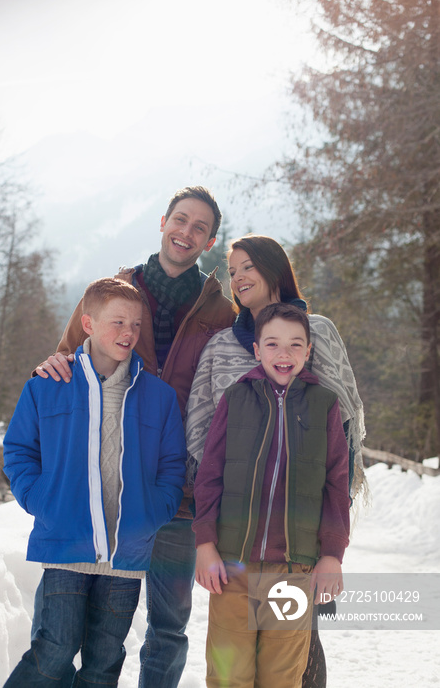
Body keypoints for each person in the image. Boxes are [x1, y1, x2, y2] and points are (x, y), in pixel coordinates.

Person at [34, 186, 235, 688]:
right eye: (180, 220)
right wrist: (55, 363)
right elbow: (67, 357)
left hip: (177, 493)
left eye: (199, 228)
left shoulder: (220, 314)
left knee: (168, 626)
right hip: (99, 489)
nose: (186, 233)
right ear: (163, 221)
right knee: (68, 627)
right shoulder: (113, 289)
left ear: (209, 241)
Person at [185, 234, 365, 687]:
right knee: (231, 670)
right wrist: (208, 532)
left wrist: (331, 547)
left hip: (298, 545)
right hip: (236, 545)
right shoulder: (225, 350)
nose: (240, 277)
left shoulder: (317, 333)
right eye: (233, 270)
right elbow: (202, 444)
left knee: (295, 661)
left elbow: (344, 430)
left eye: (249, 266)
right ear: (257, 349)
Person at [2, 277, 187, 687]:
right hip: (65, 544)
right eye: (117, 322)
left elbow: (173, 465)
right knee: (54, 650)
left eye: (136, 324)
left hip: (126, 554)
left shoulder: (158, 396)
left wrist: (153, 512)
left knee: (104, 664)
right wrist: (41, 500)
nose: (128, 333)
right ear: (87, 323)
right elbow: (18, 452)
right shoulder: (48, 385)